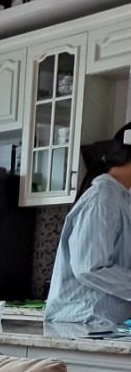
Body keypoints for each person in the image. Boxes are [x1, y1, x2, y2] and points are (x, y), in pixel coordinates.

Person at [45, 125, 131, 325]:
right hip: (83, 323)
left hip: (96, 325)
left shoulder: (117, 199)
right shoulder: (103, 198)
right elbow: (90, 266)